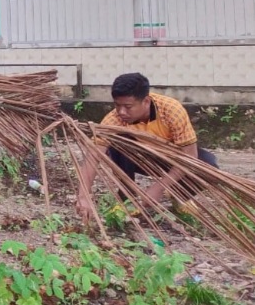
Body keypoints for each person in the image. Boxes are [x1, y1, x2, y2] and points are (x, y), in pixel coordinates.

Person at [75, 72, 218, 222]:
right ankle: (127, 195)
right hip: (140, 159)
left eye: (128, 106)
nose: (121, 112)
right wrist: (83, 196)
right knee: (117, 142)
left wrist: (159, 188)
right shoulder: (114, 120)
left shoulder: (171, 111)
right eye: (117, 105)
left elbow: (190, 155)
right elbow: (93, 156)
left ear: (146, 101)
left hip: (172, 160)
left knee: (209, 165)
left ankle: (177, 195)